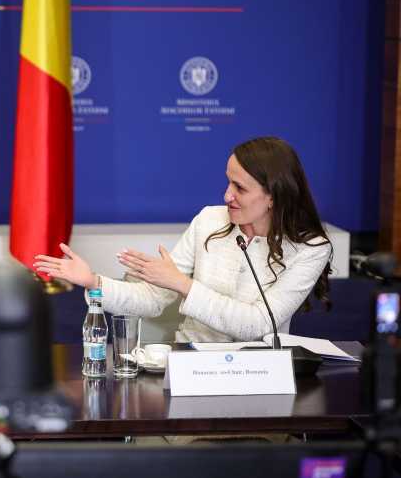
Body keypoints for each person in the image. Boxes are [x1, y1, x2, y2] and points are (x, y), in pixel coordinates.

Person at [34, 137, 333, 343]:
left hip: (259, 375)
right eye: (228, 182)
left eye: (239, 188)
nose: (226, 195)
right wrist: (93, 281)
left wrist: (182, 284)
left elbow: (257, 324)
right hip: (191, 363)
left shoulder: (311, 249)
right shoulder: (209, 220)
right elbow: (152, 299)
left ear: (273, 196)